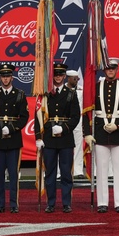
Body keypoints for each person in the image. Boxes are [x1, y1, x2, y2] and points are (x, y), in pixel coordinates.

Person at [83, 58, 119, 213]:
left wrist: (118, 125)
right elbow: (87, 111)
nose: (111, 71)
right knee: (101, 171)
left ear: (117, 70)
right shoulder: (95, 87)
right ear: (104, 70)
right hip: (100, 132)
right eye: (108, 68)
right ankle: (102, 203)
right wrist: (87, 134)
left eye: (113, 68)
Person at [35, 62, 79, 213]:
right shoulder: (45, 94)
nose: (58, 77)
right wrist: (38, 137)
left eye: (61, 74)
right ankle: (51, 203)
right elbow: (38, 116)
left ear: (65, 76)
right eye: (56, 74)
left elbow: (75, 117)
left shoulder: (71, 94)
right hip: (49, 138)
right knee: (50, 173)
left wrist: (64, 128)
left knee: (66, 173)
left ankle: (66, 203)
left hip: (65, 138)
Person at [0, 63, 29, 213]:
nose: (5, 79)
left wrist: (11, 127)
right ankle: (0, 204)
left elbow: (24, 117)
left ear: (12, 77)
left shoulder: (20, 94)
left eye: (7, 76)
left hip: (14, 139)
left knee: (13, 174)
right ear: (0, 78)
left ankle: (14, 204)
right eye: (3, 76)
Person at [65, 69, 85, 178]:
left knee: (78, 147)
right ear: (68, 78)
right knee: (61, 146)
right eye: (74, 79)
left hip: (78, 121)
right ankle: (60, 171)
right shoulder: (62, 90)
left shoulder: (81, 91)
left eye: (77, 78)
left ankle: (78, 170)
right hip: (64, 121)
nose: (76, 80)